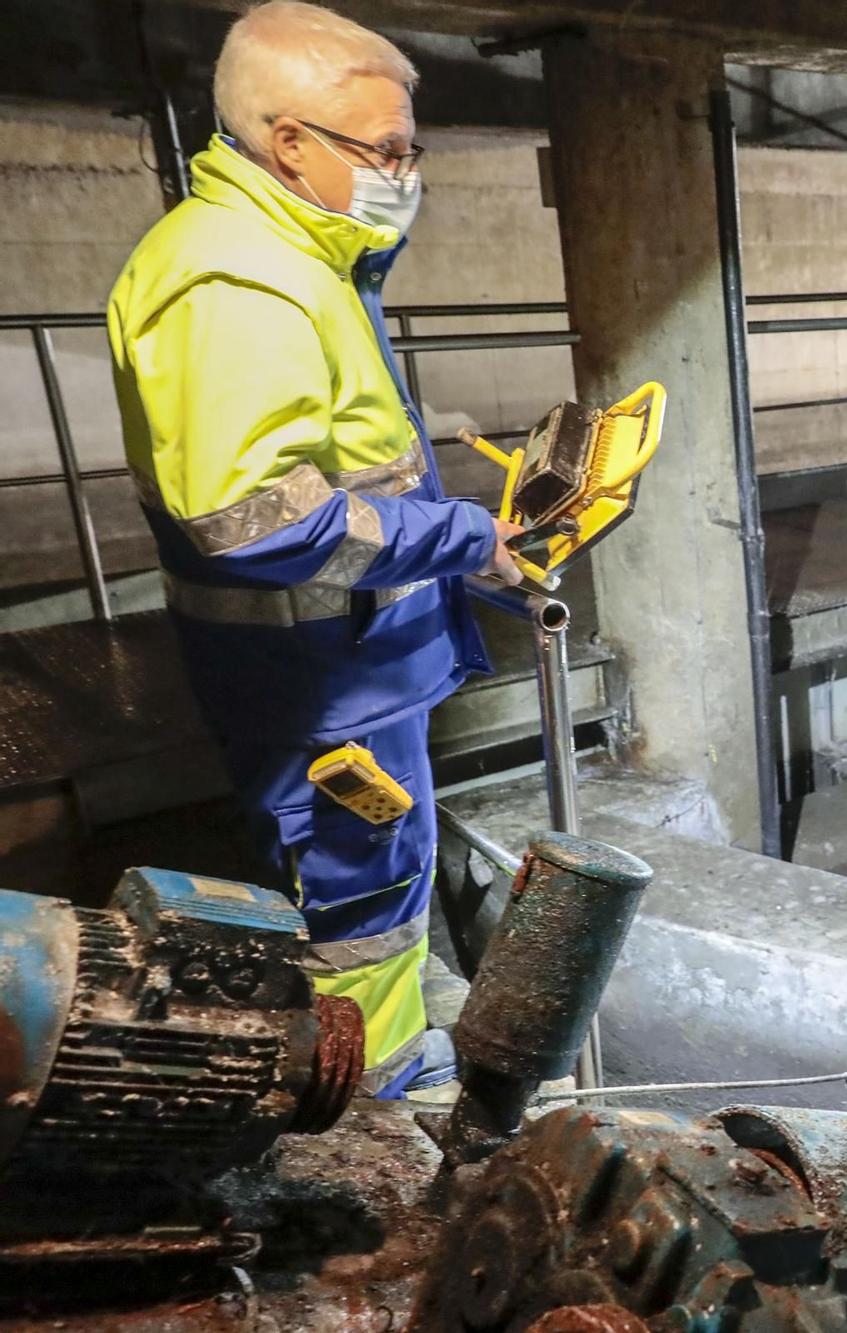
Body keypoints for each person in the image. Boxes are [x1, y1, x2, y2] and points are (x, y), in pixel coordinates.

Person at [106, 1, 522, 1096]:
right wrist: (459, 533)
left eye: (409, 149)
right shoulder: (235, 278)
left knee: (378, 884)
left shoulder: (307, 255)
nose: (403, 173)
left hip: (354, 674)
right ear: (287, 141)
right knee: (354, 908)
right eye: (382, 150)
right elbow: (258, 521)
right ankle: (370, 1106)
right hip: (315, 688)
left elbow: (336, 463)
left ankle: (376, 1061)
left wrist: (456, 544)